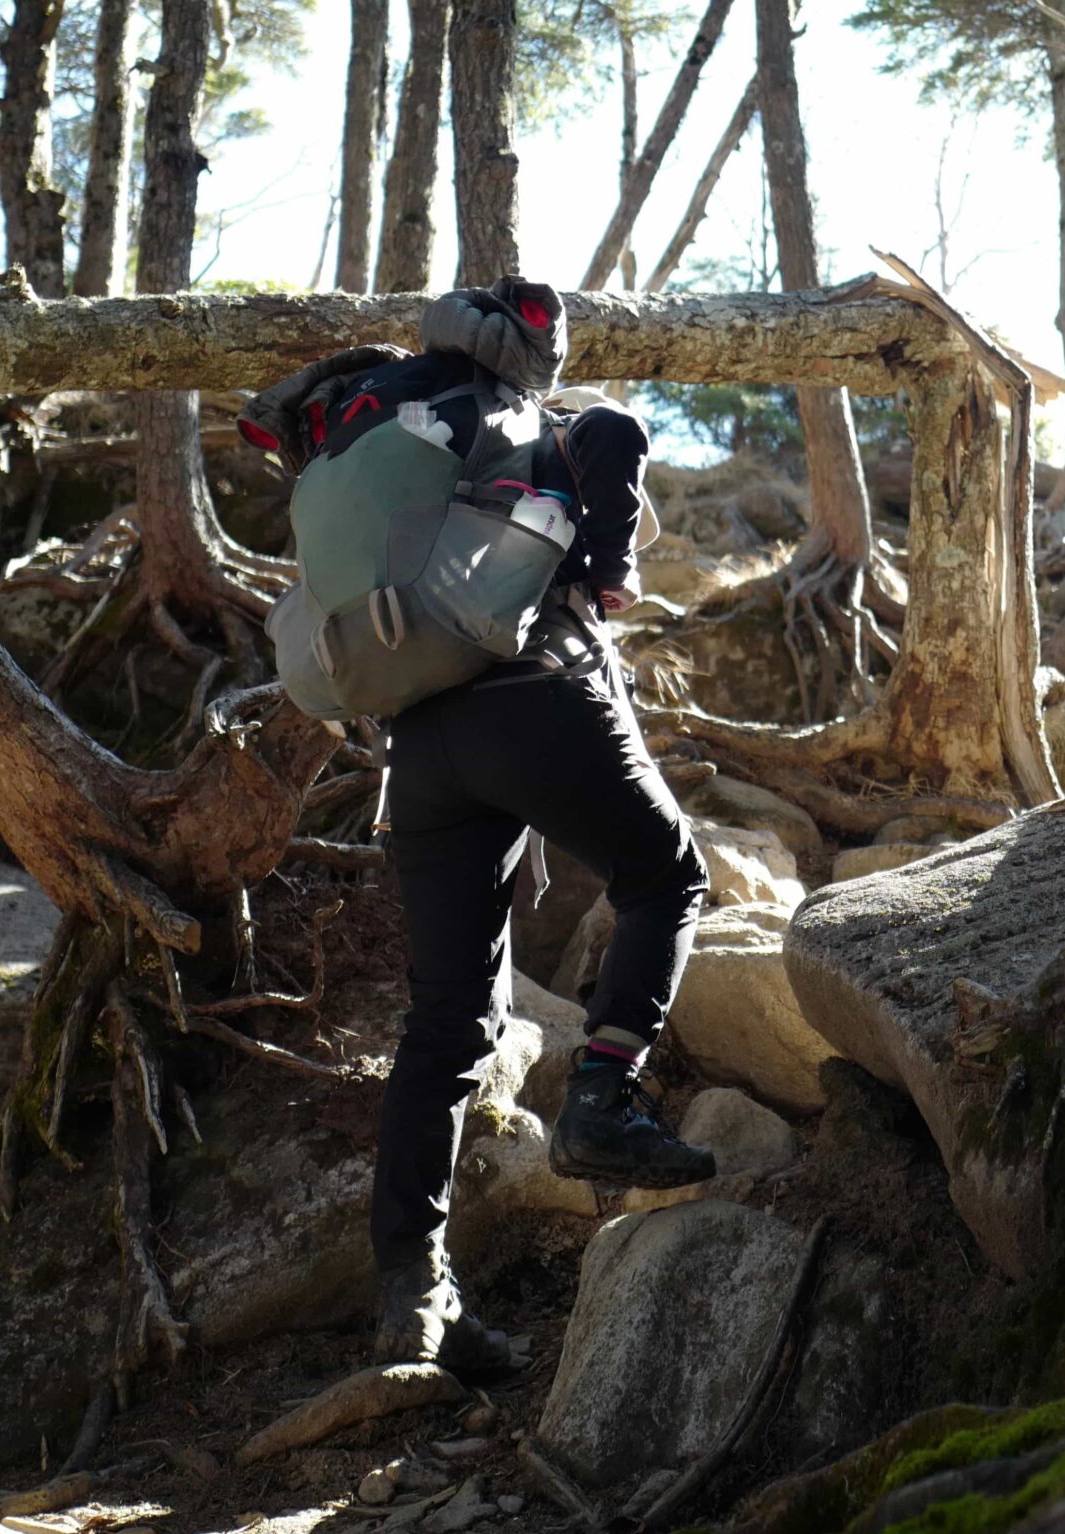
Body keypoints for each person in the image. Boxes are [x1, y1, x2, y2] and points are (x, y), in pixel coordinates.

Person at [249, 279, 715, 1379]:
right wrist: (607, 571)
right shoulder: (533, 427)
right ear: (527, 356)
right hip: (536, 698)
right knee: (665, 878)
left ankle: (413, 1301)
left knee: (446, 1023)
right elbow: (617, 429)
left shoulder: (391, 424)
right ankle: (603, 1096)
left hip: (421, 750)